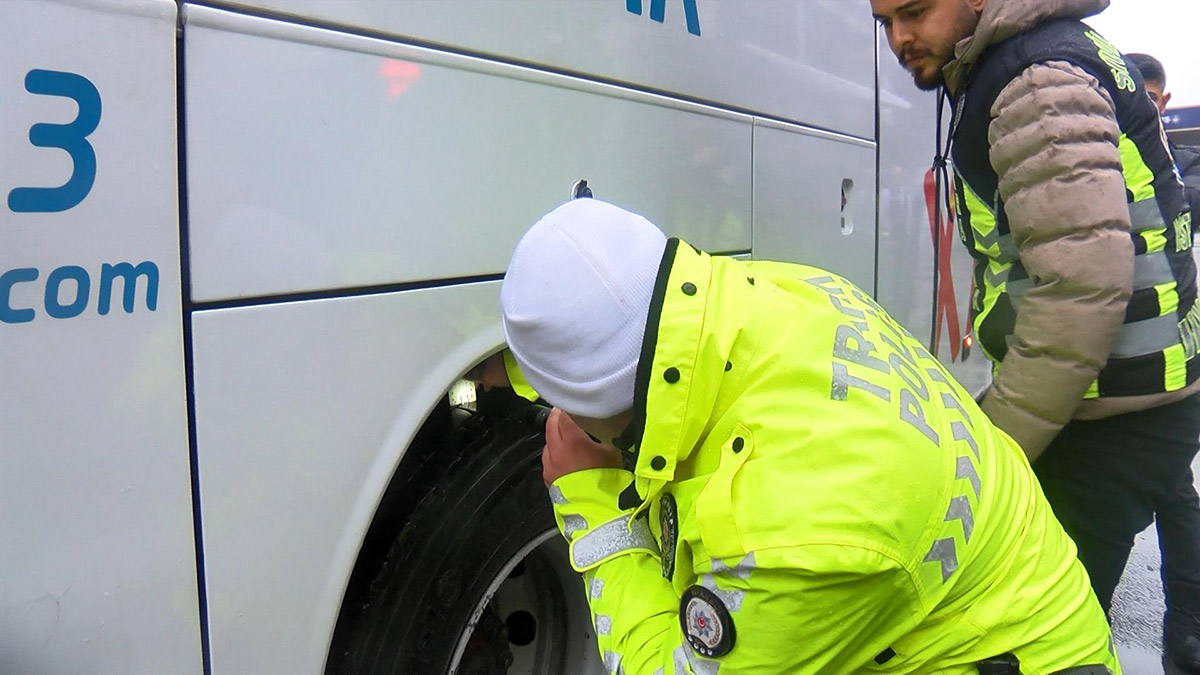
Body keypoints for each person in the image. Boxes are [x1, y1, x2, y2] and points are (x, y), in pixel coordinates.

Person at [481, 197, 1118, 673]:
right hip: (1013, 609)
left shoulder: (790, 532)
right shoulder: (780, 292)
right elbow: (635, 329)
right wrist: (530, 367)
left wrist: (594, 511)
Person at [869, 0, 1200, 670]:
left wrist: (996, 453)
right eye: (884, 23)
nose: (900, 38)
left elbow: (1081, 284)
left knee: (1034, 638)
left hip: (1109, 417)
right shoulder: (1039, 55)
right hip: (1130, 396)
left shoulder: (1032, 80)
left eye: (915, 11)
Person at [1127, 53, 1200, 220]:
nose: (1140, 106)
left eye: (1149, 98)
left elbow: (1183, 208)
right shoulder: (1095, 159)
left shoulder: (1192, 162)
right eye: (1131, 97)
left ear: (1164, 102)